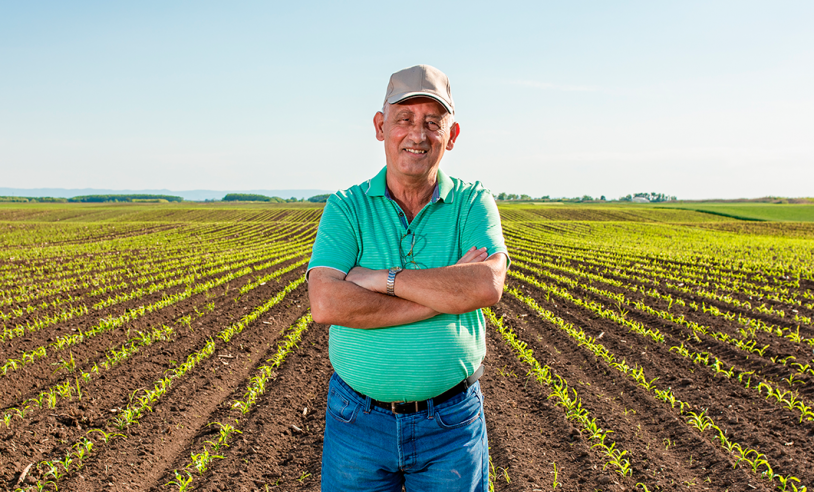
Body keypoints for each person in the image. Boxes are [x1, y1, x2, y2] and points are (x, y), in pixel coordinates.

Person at [307, 64, 509, 492]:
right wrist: (445, 292)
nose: (417, 135)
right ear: (381, 127)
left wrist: (380, 278)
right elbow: (326, 302)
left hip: (451, 424)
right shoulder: (347, 207)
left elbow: (485, 286)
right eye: (405, 119)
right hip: (356, 421)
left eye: (432, 123)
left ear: (451, 135)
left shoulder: (474, 203)